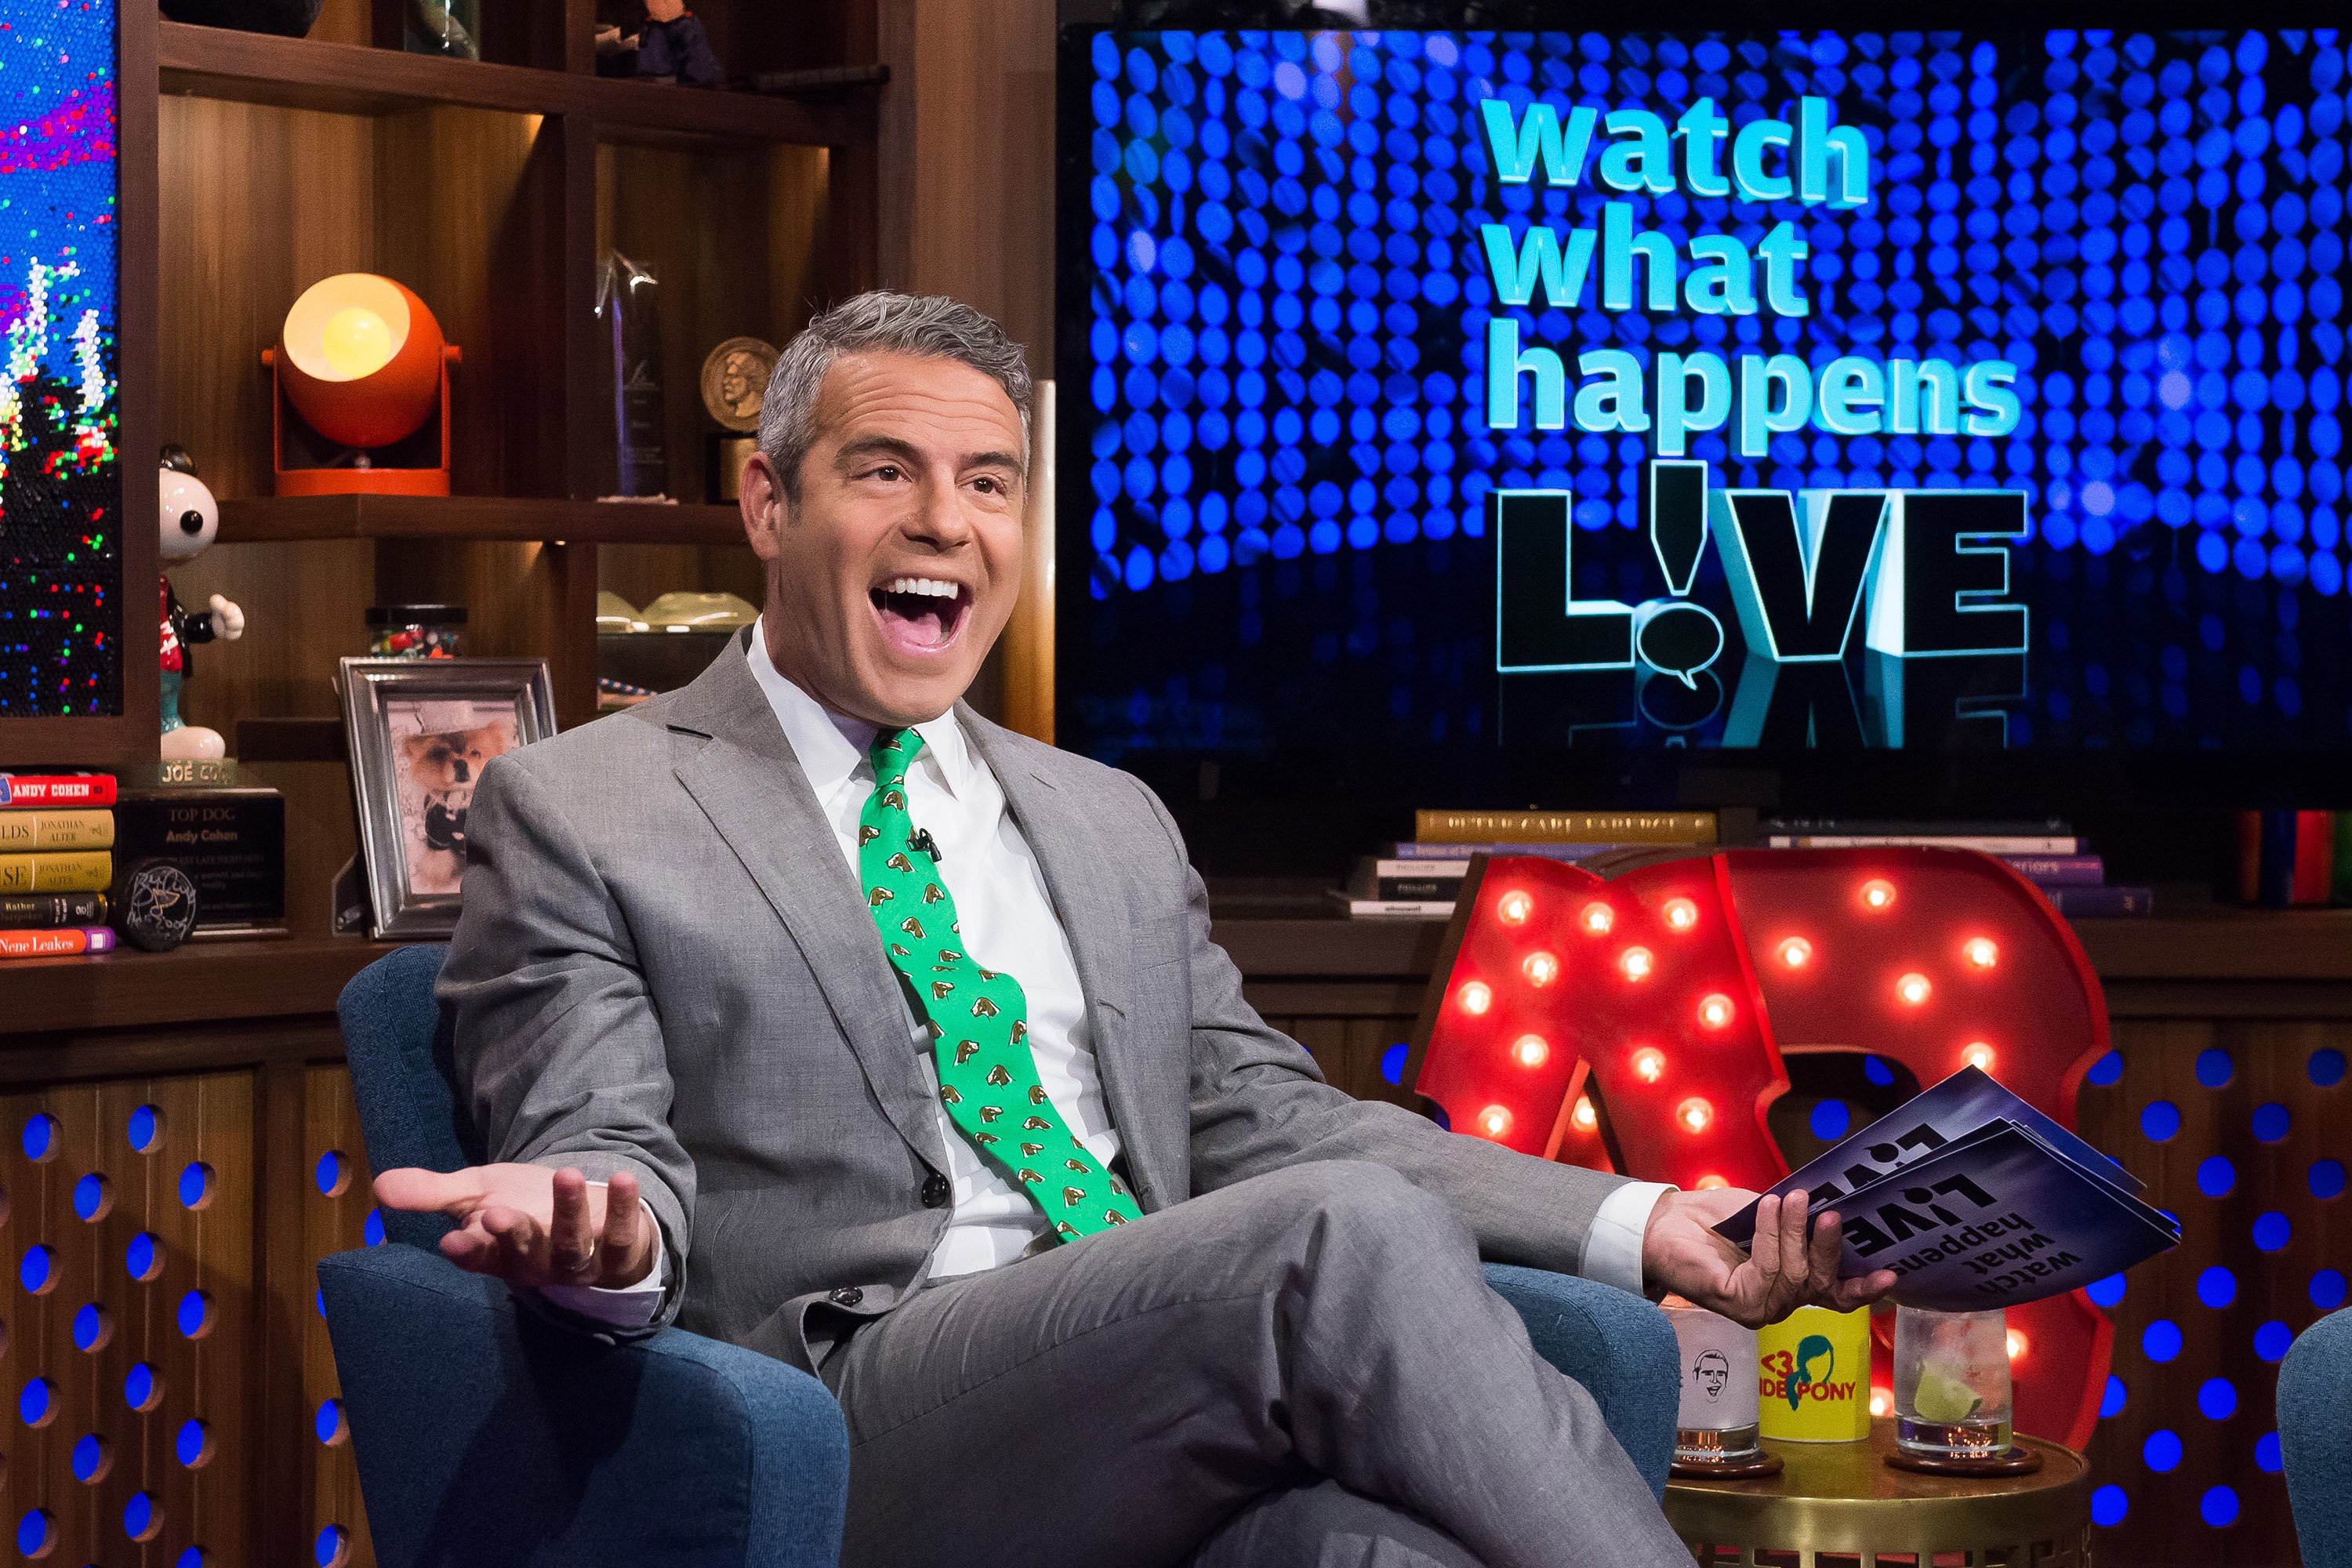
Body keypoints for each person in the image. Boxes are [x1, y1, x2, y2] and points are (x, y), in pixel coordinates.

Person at [376, 291, 1894, 1568]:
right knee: (1339, 1239)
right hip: (860, 1415)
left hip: (1157, 1395)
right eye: (886, 471)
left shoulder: (1108, 815)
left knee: (1388, 1555)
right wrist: (607, 1234)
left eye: (988, 482)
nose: (944, 524)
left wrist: (1647, 1223)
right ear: (771, 504)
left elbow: (1274, 1124)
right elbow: (599, 1145)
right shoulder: (583, 805)